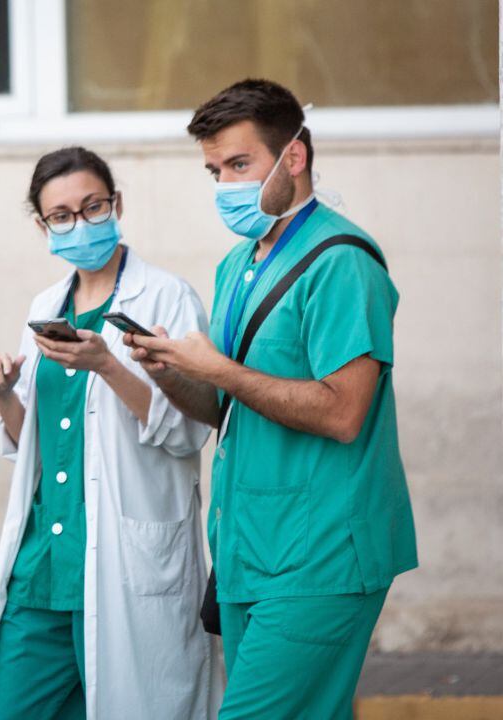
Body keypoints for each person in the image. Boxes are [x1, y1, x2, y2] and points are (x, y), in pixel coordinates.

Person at [125, 79, 417, 719]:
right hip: (247, 550)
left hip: (321, 554)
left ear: (294, 157)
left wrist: (220, 370)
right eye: (213, 170)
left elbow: (344, 413)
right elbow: (223, 408)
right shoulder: (238, 265)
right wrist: (173, 369)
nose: (226, 185)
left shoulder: (342, 262)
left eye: (239, 164)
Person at [0, 147, 222, 719]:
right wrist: (3, 393)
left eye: (92, 206)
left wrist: (108, 364)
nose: (79, 224)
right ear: (42, 225)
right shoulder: (45, 305)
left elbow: (187, 432)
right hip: (42, 568)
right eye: (61, 215)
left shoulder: (166, 297)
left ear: (117, 204)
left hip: (127, 564)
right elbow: (33, 443)